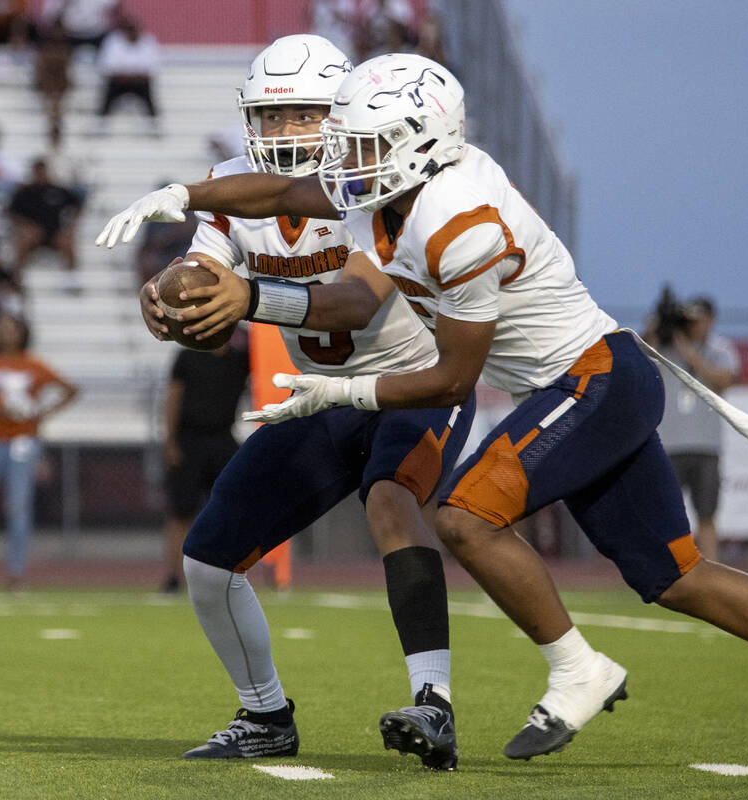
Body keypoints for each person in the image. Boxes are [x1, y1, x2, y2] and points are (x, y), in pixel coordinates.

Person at [97, 53, 748, 767]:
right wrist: (181, 193)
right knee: (676, 576)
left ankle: (576, 668)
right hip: (579, 380)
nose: (345, 160)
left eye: (362, 143)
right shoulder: (397, 188)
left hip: (593, 379)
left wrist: (341, 389)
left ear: (418, 140)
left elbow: (451, 381)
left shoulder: (457, 224)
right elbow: (280, 184)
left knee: (467, 517)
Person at [132, 36, 476, 770]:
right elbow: (202, 266)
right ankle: (264, 716)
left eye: (304, 114)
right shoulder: (234, 185)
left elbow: (355, 302)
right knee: (209, 559)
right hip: (320, 398)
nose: (286, 132)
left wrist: (251, 297)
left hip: (412, 380)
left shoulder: (379, 172)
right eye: (272, 115)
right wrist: (167, 295)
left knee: (391, 500)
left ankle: (434, 704)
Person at [0, 313, 78, 591]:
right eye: (3, 329)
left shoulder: (32, 364)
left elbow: (70, 389)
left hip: (23, 440)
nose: (7, 334)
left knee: (18, 507)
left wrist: (43, 413)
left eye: (12, 329)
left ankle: (16, 573)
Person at [648, 295, 739, 562]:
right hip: (670, 445)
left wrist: (692, 355)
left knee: (707, 515)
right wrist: (655, 330)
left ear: (711, 319)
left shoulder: (720, 349)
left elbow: (726, 380)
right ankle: (664, 568)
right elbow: (641, 357)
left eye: (698, 319)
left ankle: (712, 570)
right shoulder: (666, 349)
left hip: (706, 446)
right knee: (665, 514)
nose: (693, 324)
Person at [158, 331, 251, 594]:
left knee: (230, 509)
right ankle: (174, 577)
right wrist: (170, 440)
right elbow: (174, 396)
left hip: (222, 437)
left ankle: (225, 573)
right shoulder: (188, 356)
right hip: (189, 439)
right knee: (181, 511)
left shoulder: (241, 359)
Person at [8, 158, 82, 292]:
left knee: (68, 239)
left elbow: (77, 204)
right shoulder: (25, 193)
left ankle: (71, 278)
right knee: (23, 239)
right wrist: (25, 226)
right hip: (33, 234)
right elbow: (12, 213)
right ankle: (18, 277)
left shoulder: (57, 190)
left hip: (54, 233)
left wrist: (71, 224)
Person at [94, 17, 160, 128]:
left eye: (134, 29)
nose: (132, 33)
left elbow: (152, 70)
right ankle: (100, 125)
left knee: (149, 99)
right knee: (106, 99)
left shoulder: (148, 41)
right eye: (129, 30)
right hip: (118, 83)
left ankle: (154, 126)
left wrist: (126, 74)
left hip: (139, 83)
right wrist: (133, 74)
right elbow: (106, 68)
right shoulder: (113, 41)